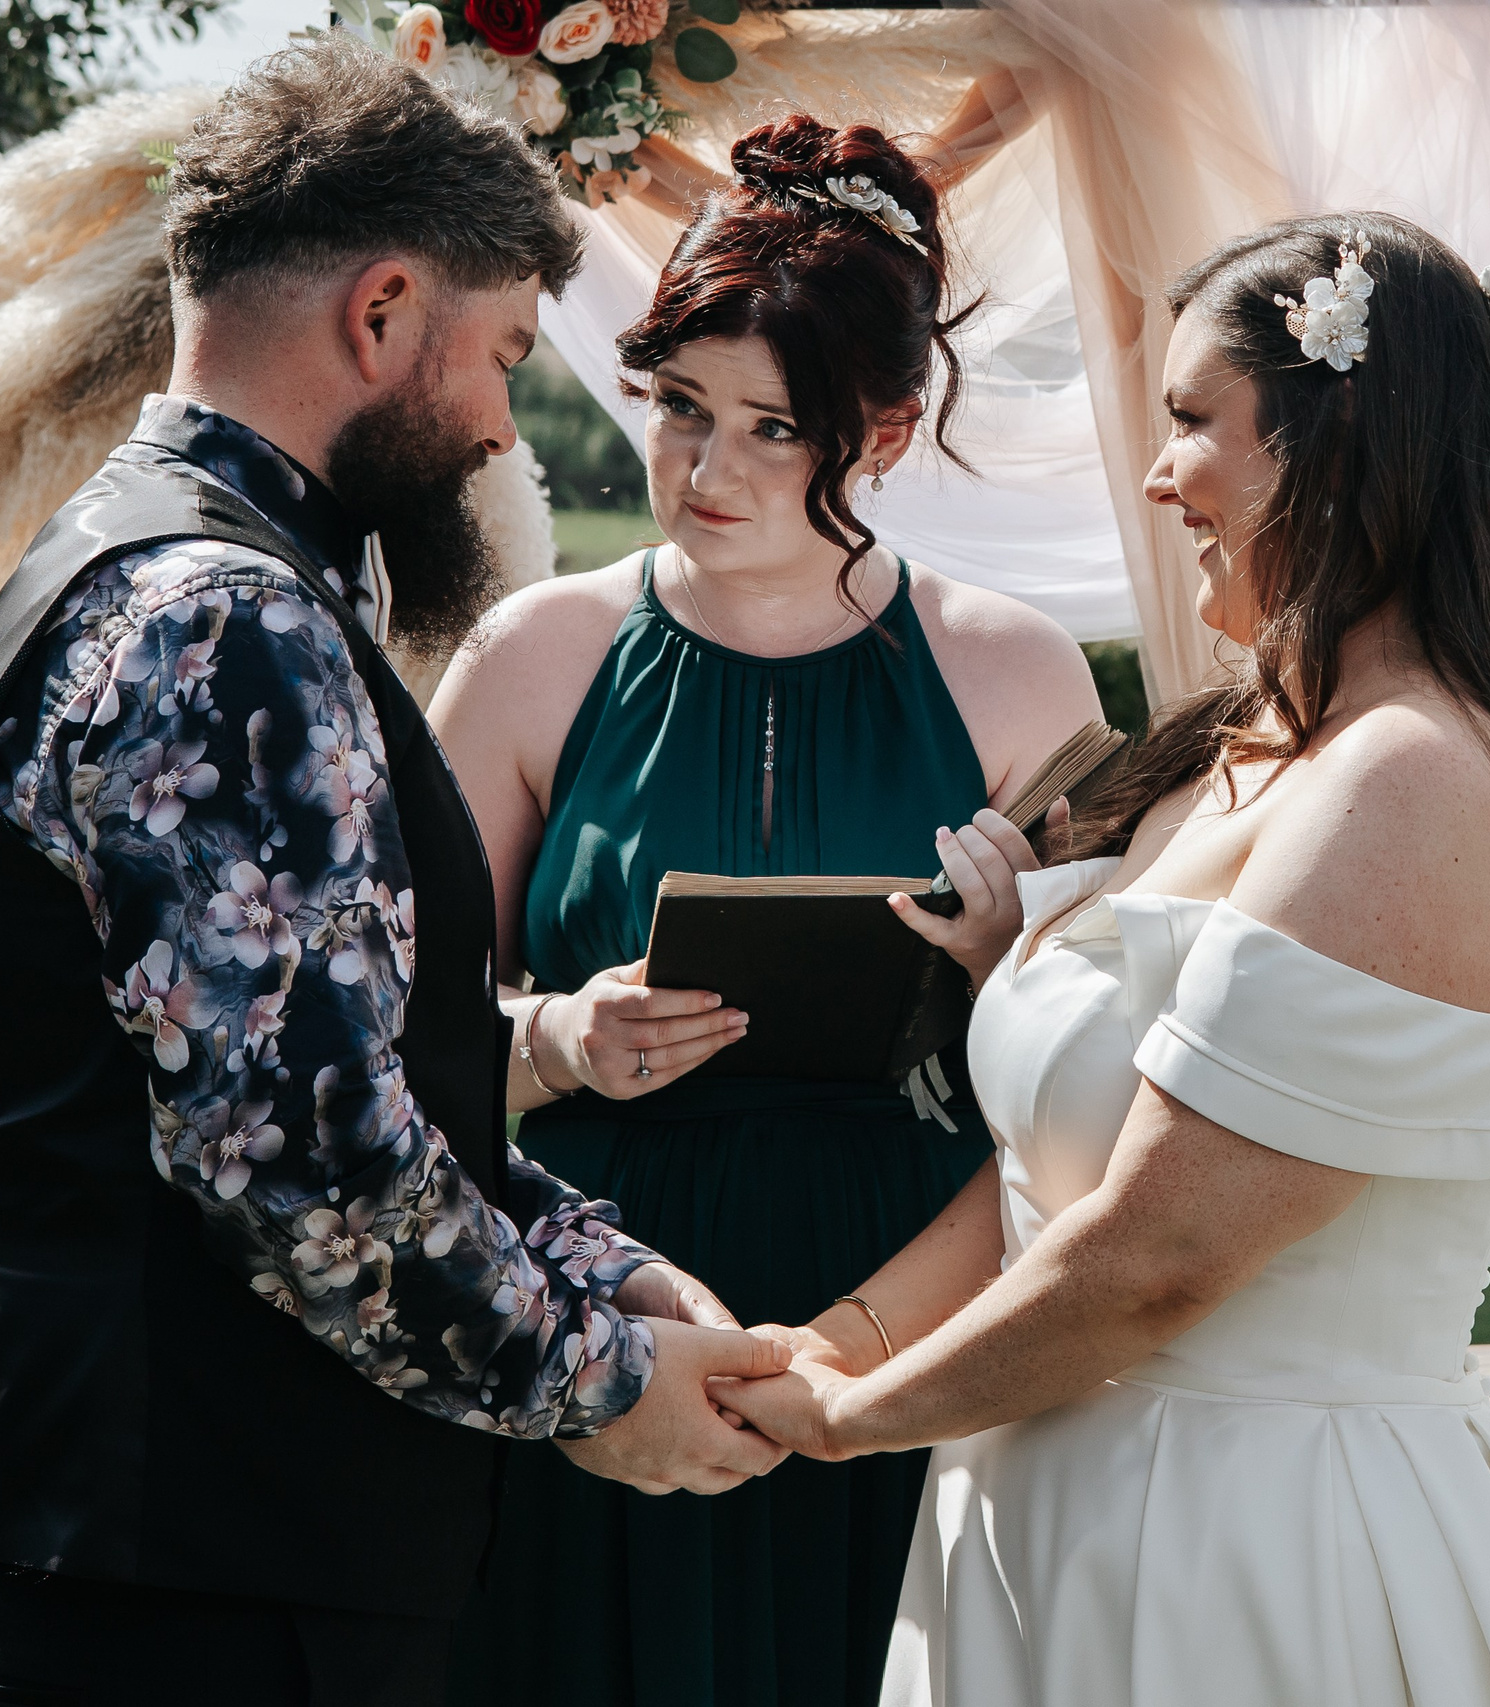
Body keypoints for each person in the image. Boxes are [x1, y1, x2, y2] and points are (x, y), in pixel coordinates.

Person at [0, 40, 789, 1706]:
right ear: (382, 312)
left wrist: (595, 1258)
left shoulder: (166, 567)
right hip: (197, 1594)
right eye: (503, 357)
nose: (503, 430)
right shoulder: (224, 622)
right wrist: (598, 1377)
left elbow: (341, 1066)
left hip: (172, 1555)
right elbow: (299, 1152)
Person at [712, 213, 1490, 1705]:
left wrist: (854, 1422)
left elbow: (1159, 1255)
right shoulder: (1242, 754)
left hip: (1256, 1549)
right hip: (1066, 1505)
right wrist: (834, 1346)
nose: (1158, 476)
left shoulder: (1413, 783)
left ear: (1335, 443)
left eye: (1191, 421)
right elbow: (1064, 1178)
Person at [430, 117, 1103, 1706]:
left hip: (915, 1315)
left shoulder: (1016, 673)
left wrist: (1004, 965)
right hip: (611, 1323)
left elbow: (1098, 1067)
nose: (706, 471)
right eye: (680, 406)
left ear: (884, 431)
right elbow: (388, 1034)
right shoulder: (532, 658)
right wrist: (559, 1037)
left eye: (774, 429)